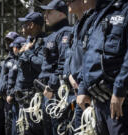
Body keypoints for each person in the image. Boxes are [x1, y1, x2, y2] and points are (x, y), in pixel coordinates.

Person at [76, 0, 128, 135]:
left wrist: (119, 90)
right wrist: (82, 88)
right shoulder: (99, 14)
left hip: (121, 104)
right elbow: (89, 55)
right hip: (99, 104)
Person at [38, 0, 73, 134]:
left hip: (57, 93)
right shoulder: (52, 35)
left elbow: (64, 62)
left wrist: (52, 86)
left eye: (49, 12)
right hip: (48, 93)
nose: (45, 16)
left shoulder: (66, 33)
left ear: (60, 14)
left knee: (59, 129)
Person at [64, 0, 96, 129]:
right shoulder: (76, 26)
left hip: (89, 91)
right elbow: (69, 54)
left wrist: (82, 85)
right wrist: (69, 75)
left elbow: (90, 56)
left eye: (71, 0)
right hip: (76, 89)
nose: (67, 3)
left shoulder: (93, 21)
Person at [13, 12, 45, 135]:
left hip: (33, 97)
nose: (22, 28)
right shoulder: (29, 42)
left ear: (31, 25)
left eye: (24, 24)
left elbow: (41, 64)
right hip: (23, 96)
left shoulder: (42, 41)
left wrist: (28, 52)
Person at [0, 32, 19, 135]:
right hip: (4, 98)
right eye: (7, 41)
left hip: (14, 98)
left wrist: (11, 93)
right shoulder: (7, 58)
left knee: (14, 126)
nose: (8, 43)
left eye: (10, 41)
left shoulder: (18, 58)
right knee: (7, 125)